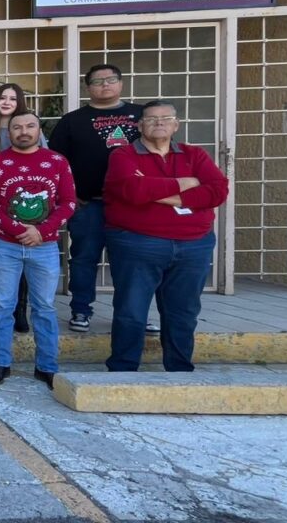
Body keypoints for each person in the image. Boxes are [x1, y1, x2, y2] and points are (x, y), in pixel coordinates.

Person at [104, 101, 228, 372]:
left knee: (183, 313)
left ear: (176, 124)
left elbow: (217, 191)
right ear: (139, 125)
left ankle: (179, 368)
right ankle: (123, 370)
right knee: (131, 311)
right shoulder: (123, 156)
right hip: (138, 242)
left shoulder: (194, 155)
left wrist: (155, 192)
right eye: (151, 119)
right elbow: (131, 190)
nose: (159, 123)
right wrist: (187, 184)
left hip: (194, 244)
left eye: (165, 118)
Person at [0, 112, 76, 389]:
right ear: (8, 133)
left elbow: (68, 203)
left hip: (44, 247)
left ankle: (46, 367)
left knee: (44, 307)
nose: (23, 131)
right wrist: (19, 230)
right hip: (4, 245)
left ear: (38, 129)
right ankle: (0, 364)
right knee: (2, 306)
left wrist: (41, 232)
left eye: (30, 126)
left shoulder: (57, 162)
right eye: (16, 127)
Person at [49, 64, 145, 334]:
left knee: (131, 262)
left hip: (130, 205)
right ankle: (81, 310)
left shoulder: (140, 115)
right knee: (83, 259)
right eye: (98, 81)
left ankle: (131, 314)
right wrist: (68, 195)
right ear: (87, 87)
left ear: (121, 83)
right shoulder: (72, 120)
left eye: (111, 79)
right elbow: (56, 161)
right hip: (87, 203)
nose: (105, 85)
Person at [0, 83, 41, 330]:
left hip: (23, 206)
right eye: (2, 97)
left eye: (13, 98)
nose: (7, 102)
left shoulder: (29, 130)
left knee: (23, 258)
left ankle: (20, 311)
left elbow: (42, 162)